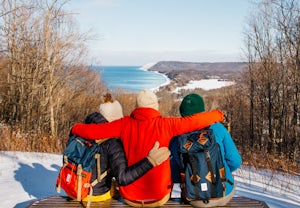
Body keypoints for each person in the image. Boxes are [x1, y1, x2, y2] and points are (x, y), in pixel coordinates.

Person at [71, 89, 224, 207]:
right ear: (155, 107)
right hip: (159, 197)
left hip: (130, 197)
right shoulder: (166, 124)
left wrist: (76, 128)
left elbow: (95, 131)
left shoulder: (124, 124)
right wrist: (218, 115)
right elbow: (194, 121)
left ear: (137, 107)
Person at [80, 93, 170, 203]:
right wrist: (149, 161)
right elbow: (123, 178)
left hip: (77, 188)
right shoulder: (112, 143)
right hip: (95, 195)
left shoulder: (85, 132)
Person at [170, 93, 242, 207]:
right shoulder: (218, 128)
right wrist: (223, 171)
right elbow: (235, 161)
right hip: (223, 193)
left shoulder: (177, 138)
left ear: (182, 114)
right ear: (203, 111)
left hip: (193, 197)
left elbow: (175, 172)